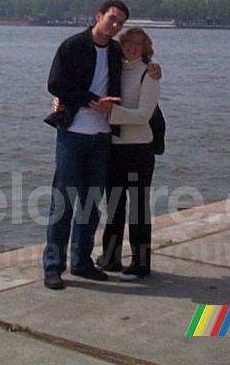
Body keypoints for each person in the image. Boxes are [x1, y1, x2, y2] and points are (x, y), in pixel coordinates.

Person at [42, 0, 129, 290]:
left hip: (102, 136)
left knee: (90, 204)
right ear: (99, 16)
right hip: (73, 133)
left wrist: (154, 69)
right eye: (112, 19)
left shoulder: (116, 51)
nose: (115, 26)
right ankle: (54, 266)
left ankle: (82, 262)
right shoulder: (72, 46)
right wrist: (90, 100)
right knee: (62, 202)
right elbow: (56, 84)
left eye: (120, 23)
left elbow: (135, 67)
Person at [89, 27, 160, 281]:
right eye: (128, 41)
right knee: (115, 206)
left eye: (138, 44)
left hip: (139, 150)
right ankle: (111, 257)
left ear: (145, 48)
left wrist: (111, 112)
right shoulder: (114, 68)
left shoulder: (149, 75)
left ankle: (141, 263)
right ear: (121, 43)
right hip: (114, 148)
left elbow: (144, 115)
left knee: (139, 208)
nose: (132, 47)